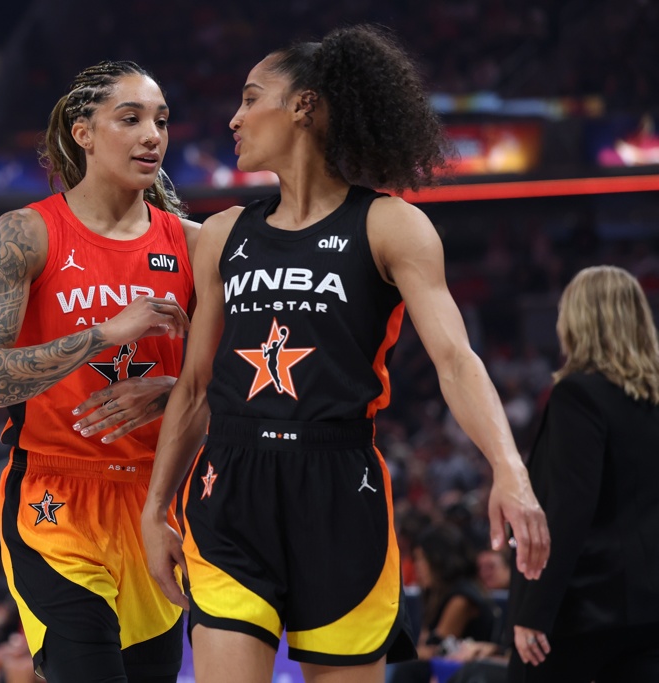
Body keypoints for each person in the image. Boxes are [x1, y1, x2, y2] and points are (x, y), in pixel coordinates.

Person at [140, 25, 550, 683]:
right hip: (229, 484)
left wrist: (509, 467)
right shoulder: (222, 234)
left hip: (340, 483)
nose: (234, 117)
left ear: (304, 106)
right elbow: (193, 389)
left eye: (251, 97)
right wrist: (155, 507)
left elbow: (455, 359)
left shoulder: (391, 225)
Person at [0, 60, 198, 682]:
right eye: (131, 118)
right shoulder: (27, 232)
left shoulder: (195, 244)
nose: (152, 136)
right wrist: (103, 334)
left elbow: (246, 377)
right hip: (53, 499)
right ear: (82, 132)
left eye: (162, 121)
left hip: (156, 500)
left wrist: (175, 390)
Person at [508, 265, 659, 682]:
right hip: (650, 612)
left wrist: (535, 611)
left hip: (586, 609)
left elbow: (569, 510)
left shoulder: (578, 394)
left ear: (575, 321)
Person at [388, 524, 497, 683]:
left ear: (438, 559)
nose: (417, 566)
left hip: (466, 671)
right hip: (453, 670)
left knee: (407, 669)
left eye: (421, 558)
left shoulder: (461, 598)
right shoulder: (436, 595)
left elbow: (436, 649)